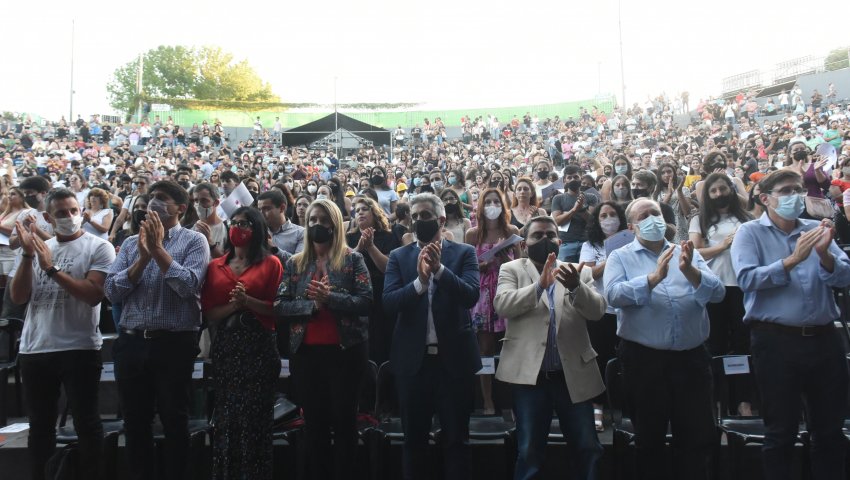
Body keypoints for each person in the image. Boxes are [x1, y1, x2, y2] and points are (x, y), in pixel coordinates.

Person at [731, 169, 850, 480]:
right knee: (781, 432)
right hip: (776, 342)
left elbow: (845, 275)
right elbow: (747, 279)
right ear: (765, 199)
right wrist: (792, 260)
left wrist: (824, 256)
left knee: (829, 431)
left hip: (824, 340)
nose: (795, 195)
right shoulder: (750, 233)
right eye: (786, 190)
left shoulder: (817, 229)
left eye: (798, 189)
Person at [604, 198, 725, 480]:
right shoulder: (620, 257)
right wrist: (652, 279)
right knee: (649, 439)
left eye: (655, 213)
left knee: (695, 437)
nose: (652, 219)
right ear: (632, 226)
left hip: (692, 359)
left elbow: (718, 293)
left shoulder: (688, 253)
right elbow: (613, 296)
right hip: (645, 362)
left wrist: (691, 273)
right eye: (644, 216)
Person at [104, 180, 211, 480]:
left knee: (174, 419)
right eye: (150, 197)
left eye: (161, 198)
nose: (153, 203)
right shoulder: (129, 244)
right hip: (133, 342)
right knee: (135, 423)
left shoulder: (193, 241)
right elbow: (112, 291)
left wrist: (158, 250)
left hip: (173, 344)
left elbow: (189, 286)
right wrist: (144, 256)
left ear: (181, 208)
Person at [9, 188, 116, 480]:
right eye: (60, 213)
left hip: (78, 347)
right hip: (35, 348)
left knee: (87, 422)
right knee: (40, 426)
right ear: (47, 217)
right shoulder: (39, 248)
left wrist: (52, 268)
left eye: (73, 210)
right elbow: (18, 297)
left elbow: (93, 294)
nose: (69, 217)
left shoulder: (98, 246)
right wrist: (28, 256)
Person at [494, 215, 606, 480]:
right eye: (537, 236)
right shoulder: (512, 270)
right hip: (530, 378)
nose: (544, 240)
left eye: (549, 235)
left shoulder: (578, 271)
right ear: (524, 243)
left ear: (560, 240)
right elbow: (503, 305)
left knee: (587, 447)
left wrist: (577, 287)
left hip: (572, 375)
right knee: (529, 450)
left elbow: (597, 312)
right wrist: (539, 287)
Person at [383, 193, 481, 480]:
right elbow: (389, 303)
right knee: (413, 442)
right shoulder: (399, 257)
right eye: (415, 217)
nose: (418, 221)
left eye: (425, 216)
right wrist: (419, 283)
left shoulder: (464, 253)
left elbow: (470, 296)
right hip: (413, 365)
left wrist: (438, 270)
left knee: (456, 441)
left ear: (440, 220)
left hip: (454, 364)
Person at [274, 199, 372, 480]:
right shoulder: (294, 264)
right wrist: (311, 306)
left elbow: (366, 302)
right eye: (313, 220)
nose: (318, 225)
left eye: (324, 221)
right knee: (314, 424)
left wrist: (331, 299)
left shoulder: (353, 259)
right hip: (307, 355)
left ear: (335, 225)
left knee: (344, 423)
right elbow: (280, 306)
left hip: (346, 353)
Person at [200, 207, 282, 480]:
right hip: (227, 346)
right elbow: (210, 312)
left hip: (258, 346)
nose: (237, 227)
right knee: (228, 417)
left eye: (243, 223)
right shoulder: (215, 266)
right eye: (233, 223)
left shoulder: (271, 264)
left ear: (255, 228)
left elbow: (276, 308)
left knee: (256, 418)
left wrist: (248, 303)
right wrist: (234, 306)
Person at [689, 173, 754, 415]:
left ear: (731, 189)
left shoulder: (747, 219)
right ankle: (716, 402)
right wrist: (723, 245)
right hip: (715, 288)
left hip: (742, 287)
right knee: (714, 345)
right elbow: (695, 252)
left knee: (742, 344)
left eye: (722, 189)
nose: (718, 194)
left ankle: (743, 401)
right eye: (713, 191)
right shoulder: (700, 220)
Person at [465, 188, 520, 415]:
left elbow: (523, 263)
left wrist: (504, 256)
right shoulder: (472, 234)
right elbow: (466, 266)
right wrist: (481, 266)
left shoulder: (512, 231)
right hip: (482, 295)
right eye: (487, 202)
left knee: (513, 346)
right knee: (485, 350)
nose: (492, 205)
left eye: (496, 201)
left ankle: (515, 398)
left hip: (506, 290)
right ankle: (487, 400)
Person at [579, 201, 628, 432]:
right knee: (599, 358)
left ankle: (626, 406)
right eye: (603, 216)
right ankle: (597, 406)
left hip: (627, 310)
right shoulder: (591, 245)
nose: (609, 219)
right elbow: (589, 274)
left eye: (613, 214)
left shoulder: (633, 241)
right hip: (601, 309)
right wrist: (612, 257)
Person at [346, 196, 400, 364]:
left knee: (382, 340)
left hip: (382, 292)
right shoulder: (349, 238)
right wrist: (359, 249)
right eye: (357, 210)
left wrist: (370, 246)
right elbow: (344, 269)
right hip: (358, 295)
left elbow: (387, 268)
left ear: (375, 212)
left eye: (364, 209)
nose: (360, 212)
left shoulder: (390, 236)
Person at [552, 165, 597, 262]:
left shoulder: (591, 197)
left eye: (576, 177)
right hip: (565, 244)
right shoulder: (558, 198)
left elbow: (593, 221)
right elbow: (556, 221)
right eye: (569, 177)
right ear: (564, 180)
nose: (573, 179)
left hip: (587, 243)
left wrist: (581, 210)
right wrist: (574, 210)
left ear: (581, 178)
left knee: (586, 274)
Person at [258, 189, 304, 259]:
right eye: (259, 210)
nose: (261, 214)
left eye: (266, 209)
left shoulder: (301, 233)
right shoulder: (257, 231)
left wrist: (274, 249)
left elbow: (298, 263)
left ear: (282, 208)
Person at [191, 182, 227, 258]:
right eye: (196, 200)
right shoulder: (190, 228)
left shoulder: (227, 228)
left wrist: (210, 242)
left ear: (216, 203)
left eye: (204, 200)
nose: (198, 205)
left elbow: (227, 262)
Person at [0, 187, 26, 288]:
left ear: (22, 197)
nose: (9, 196)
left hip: (11, 253)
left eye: (13, 194)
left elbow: (20, 232)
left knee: (9, 285)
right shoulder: (6, 212)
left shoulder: (25, 212)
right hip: (1, 252)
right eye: (9, 194)